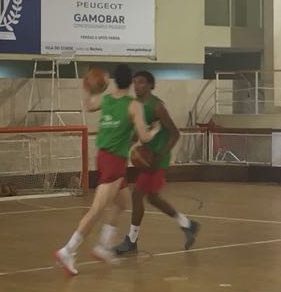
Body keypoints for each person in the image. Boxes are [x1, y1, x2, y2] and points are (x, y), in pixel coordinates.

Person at [54, 64, 156, 276]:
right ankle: (68, 249)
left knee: (122, 202)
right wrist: (156, 128)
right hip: (114, 161)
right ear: (130, 83)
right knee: (96, 210)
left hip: (103, 157)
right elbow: (144, 137)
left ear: (114, 82)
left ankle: (103, 245)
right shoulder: (133, 105)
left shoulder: (107, 99)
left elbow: (89, 106)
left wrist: (89, 88)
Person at [115, 70, 199, 254]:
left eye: (142, 82)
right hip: (148, 157)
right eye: (135, 82)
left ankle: (132, 240)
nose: (137, 86)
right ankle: (187, 224)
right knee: (152, 197)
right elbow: (138, 132)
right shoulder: (137, 106)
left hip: (157, 158)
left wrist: (160, 154)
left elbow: (175, 134)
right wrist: (124, 146)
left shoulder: (157, 107)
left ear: (151, 85)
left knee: (137, 195)